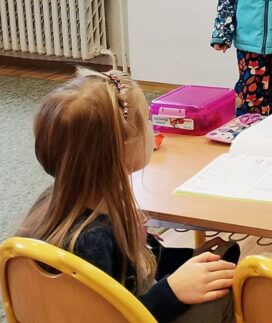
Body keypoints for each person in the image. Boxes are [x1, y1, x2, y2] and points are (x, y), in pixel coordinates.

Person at [21, 71, 237, 323]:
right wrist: (172, 292)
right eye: (147, 120)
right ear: (123, 145)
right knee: (223, 294)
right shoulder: (92, 241)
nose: (152, 127)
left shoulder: (58, 201)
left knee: (217, 277)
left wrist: (187, 258)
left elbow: (135, 262)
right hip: (129, 315)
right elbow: (110, 317)